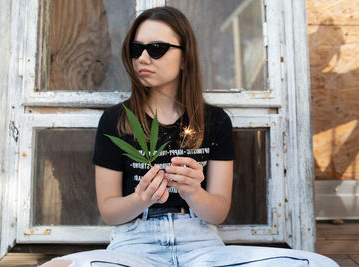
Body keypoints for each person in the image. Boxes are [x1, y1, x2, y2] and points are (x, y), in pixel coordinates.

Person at [41, 6, 338, 267]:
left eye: (157, 48)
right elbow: (109, 211)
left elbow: (218, 212)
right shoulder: (116, 121)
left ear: (185, 58)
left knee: (320, 264)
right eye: (136, 49)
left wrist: (194, 192)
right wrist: (140, 199)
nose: (143, 57)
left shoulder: (214, 121)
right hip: (134, 246)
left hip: (200, 246)